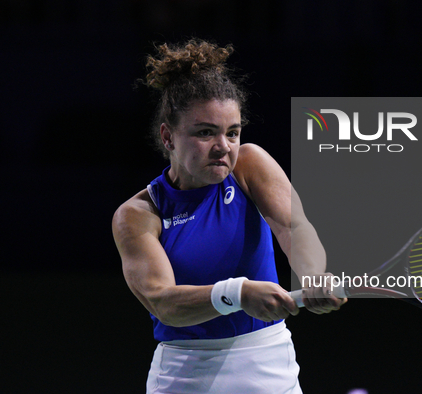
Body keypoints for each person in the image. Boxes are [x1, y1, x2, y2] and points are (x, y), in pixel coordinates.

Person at [112, 38, 346, 394]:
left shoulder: (249, 164)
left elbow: (294, 227)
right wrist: (237, 293)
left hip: (269, 367)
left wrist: (312, 274)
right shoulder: (138, 215)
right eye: (205, 132)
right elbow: (164, 303)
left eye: (232, 132)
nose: (224, 146)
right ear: (168, 137)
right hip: (185, 376)